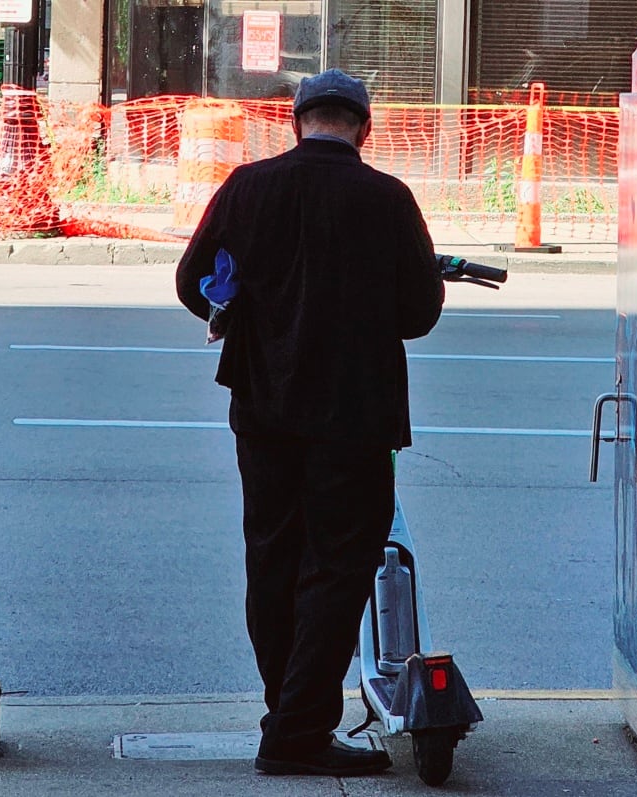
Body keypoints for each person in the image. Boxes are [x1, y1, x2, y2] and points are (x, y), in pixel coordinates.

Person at [175, 68, 444, 778]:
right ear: (365, 128)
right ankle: (297, 730)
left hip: (263, 407)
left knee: (272, 558)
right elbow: (420, 311)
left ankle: (286, 712)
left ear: (296, 123)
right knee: (337, 565)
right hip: (355, 415)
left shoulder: (247, 187)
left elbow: (191, 282)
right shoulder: (388, 198)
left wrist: (242, 305)